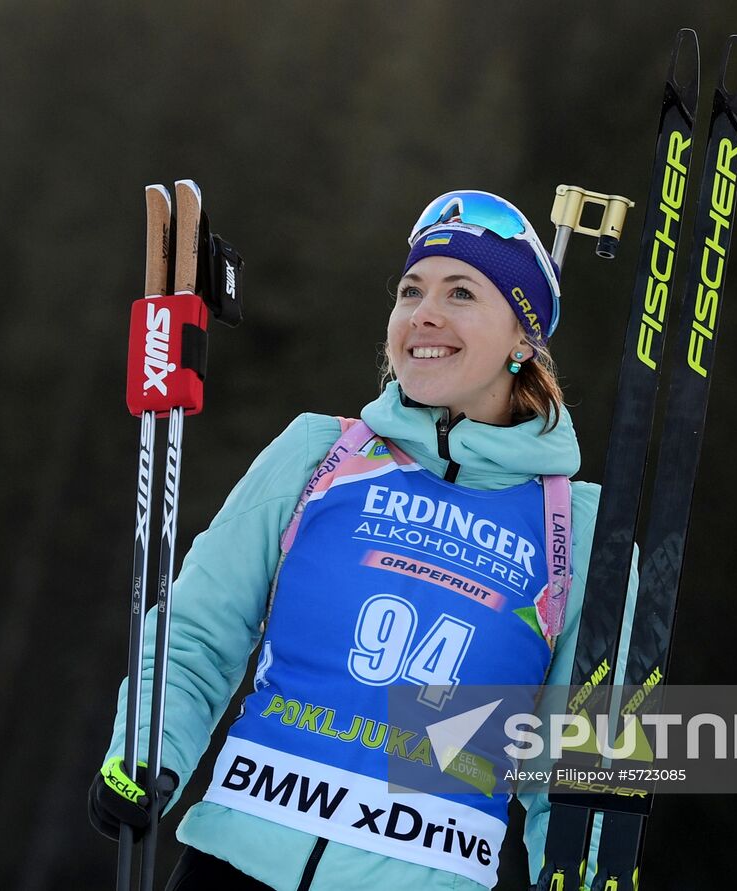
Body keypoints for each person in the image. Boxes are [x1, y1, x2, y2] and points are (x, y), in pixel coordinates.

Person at [90, 190, 637, 890]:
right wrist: (145, 750)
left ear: (523, 341)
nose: (424, 314)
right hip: (233, 865)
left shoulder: (579, 528)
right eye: (411, 290)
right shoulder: (321, 453)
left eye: (461, 292)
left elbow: (575, 762)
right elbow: (197, 635)